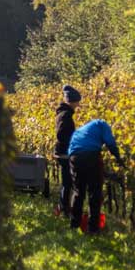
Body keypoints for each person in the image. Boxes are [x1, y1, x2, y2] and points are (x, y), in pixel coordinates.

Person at [68, 119, 125, 233]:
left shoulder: (83, 130)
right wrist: (119, 159)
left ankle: (74, 225)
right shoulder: (103, 124)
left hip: (74, 156)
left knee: (78, 191)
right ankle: (93, 228)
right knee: (95, 191)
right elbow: (110, 143)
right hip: (91, 155)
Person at [54, 85, 80, 218]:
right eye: (77, 102)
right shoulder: (65, 115)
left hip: (62, 152)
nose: (78, 105)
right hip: (64, 153)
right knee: (68, 182)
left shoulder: (63, 113)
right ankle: (64, 209)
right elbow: (61, 135)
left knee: (67, 182)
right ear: (72, 101)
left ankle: (63, 208)